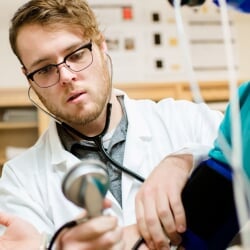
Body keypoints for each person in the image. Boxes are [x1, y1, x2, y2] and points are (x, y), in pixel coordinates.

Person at [0, 0, 223, 249]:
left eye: (76, 54)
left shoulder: (184, 120)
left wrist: (187, 160)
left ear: (101, 45)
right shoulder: (20, 180)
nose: (66, 76)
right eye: (44, 69)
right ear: (28, 79)